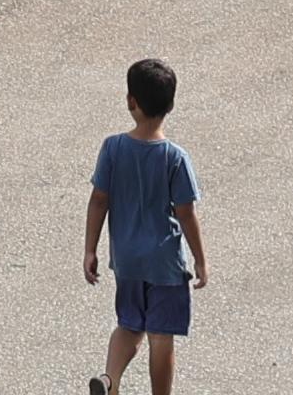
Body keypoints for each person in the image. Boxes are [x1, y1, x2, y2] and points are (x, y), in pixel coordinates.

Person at [82, 52, 210, 392]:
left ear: (131, 101)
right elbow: (186, 214)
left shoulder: (112, 148)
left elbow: (98, 200)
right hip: (164, 263)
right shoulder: (174, 157)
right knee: (161, 334)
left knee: (128, 325)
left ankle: (110, 379)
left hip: (126, 260)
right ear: (171, 104)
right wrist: (200, 258)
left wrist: (89, 250)